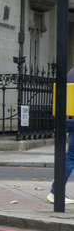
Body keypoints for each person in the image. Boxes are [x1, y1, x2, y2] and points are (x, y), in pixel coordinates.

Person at [47, 67, 74, 204]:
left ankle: (56, 192)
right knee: (71, 156)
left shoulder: (70, 71)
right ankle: (56, 192)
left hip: (68, 118)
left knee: (71, 155)